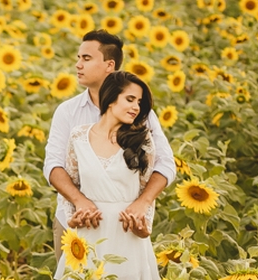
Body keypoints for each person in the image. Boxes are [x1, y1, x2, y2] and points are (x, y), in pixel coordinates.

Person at [43, 30, 175, 263]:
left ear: (109, 65)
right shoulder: (68, 112)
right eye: (78, 58)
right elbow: (53, 165)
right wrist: (79, 201)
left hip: (125, 227)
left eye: (86, 58)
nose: (78, 65)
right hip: (76, 223)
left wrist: (142, 204)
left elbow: (165, 164)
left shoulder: (139, 114)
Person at [53, 71, 161, 280]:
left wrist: (145, 227)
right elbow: (72, 184)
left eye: (139, 102)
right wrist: (72, 218)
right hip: (88, 235)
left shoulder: (142, 140)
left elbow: (145, 191)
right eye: (130, 99)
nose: (136, 107)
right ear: (111, 99)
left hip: (127, 236)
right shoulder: (78, 137)